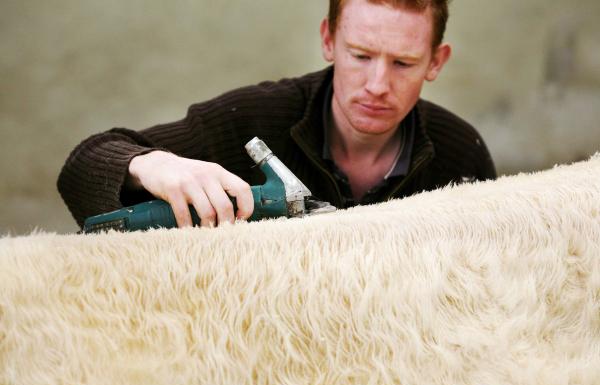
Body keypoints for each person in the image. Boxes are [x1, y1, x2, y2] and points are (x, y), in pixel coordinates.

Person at [58, 0, 496, 229]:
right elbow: (81, 168)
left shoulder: (462, 155)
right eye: (361, 55)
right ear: (328, 40)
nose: (378, 84)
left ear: (436, 62)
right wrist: (153, 166)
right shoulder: (251, 120)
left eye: (403, 63)